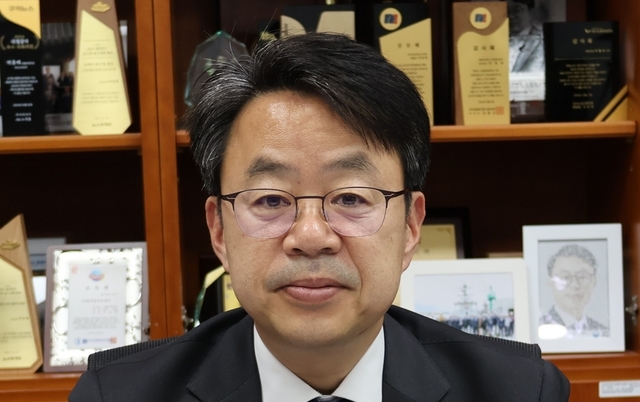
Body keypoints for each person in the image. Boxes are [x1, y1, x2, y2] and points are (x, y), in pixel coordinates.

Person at [69, 33, 569, 401]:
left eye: (350, 198)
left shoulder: (520, 391)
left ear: (411, 227)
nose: (311, 237)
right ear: (219, 230)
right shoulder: (118, 395)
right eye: (271, 200)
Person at [540, 244, 608, 335]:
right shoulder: (539, 328)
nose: (575, 285)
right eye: (565, 277)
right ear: (551, 282)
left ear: (594, 282)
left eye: (582, 277)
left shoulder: (604, 332)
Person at [507, 0, 545, 73]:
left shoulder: (543, 41)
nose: (511, 16)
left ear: (531, 12)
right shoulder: (496, 41)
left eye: (517, 10)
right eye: (507, 11)